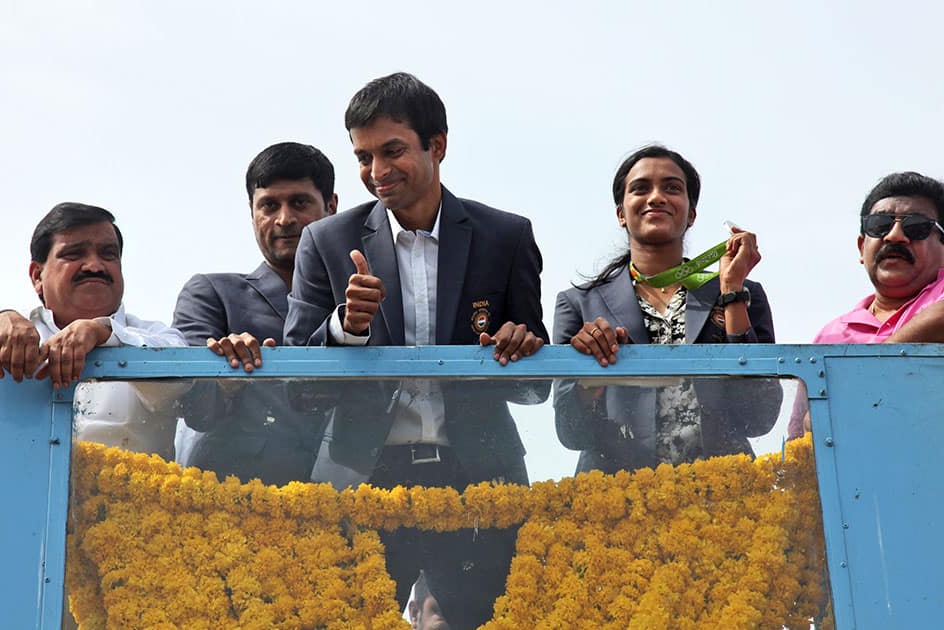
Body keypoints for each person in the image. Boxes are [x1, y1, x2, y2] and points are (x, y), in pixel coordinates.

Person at [283, 72, 548, 627]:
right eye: (362, 156)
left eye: (392, 151)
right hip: (359, 478)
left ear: (439, 146)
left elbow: (535, 385)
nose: (376, 172)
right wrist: (345, 327)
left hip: (480, 479)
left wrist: (521, 345)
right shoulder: (327, 240)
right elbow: (298, 387)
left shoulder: (507, 235)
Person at [554, 145, 781, 474]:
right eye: (641, 188)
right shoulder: (579, 304)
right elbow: (570, 432)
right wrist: (591, 380)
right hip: (618, 501)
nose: (656, 197)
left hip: (724, 504)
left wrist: (731, 292)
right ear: (621, 213)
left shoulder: (743, 294)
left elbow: (759, 419)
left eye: (672, 188)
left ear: (691, 214)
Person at [0, 202, 187, 456]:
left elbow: (185, 382)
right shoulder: (15, 330)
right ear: (37, 276)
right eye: (74, 254)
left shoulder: (156, 337)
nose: (95, 266)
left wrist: (102, 332)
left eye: (108, 254)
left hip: (132, 495)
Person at [171, 142, 338, 483]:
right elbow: (196, 408)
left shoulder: (357, 303)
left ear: (332, 207)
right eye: (269, 205)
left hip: (354, 500)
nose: (285, 219)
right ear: (252, 211)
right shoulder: (212, 294)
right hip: (240, 503)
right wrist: (224, 376)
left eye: (300, 202)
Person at [789, 171, 944, 437]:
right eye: (879, 225)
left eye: (916, 226)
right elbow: (802, 437)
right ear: (862, 248)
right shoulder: (830, 335)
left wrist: (855, 384)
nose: (894, 236)